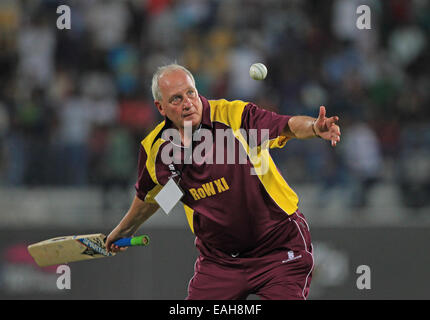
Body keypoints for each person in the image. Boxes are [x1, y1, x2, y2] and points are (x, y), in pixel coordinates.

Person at [106, 64, 341, 300]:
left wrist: (313, 127)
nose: (187, 103)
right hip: (219, 262)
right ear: (161, 107)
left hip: (279, 248)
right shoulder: (156, 150)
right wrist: (124, 229)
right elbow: (156, 195)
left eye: (191, 93)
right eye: (176, 99)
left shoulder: (233, 116)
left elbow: (287, 126)